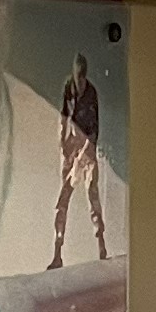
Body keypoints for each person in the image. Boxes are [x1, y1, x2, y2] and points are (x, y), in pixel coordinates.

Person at [50, 49, 106, 267]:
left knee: (92, 195)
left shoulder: (91, 93)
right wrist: (62, 143)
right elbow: (63, 116)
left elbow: (94, 131)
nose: (79, 80)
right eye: (77, 75)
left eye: (82, 76)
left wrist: (84, 153)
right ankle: (57, 253)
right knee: (63, 199)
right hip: (71, 147)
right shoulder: (69, 87)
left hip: (87, 151)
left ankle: (101, 246)